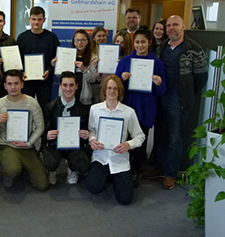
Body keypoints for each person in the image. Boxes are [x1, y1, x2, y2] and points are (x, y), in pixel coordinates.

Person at [150, 15, 208, 190]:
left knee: (175, 139)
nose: (171, 28)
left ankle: (170, 174)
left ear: (183, 27)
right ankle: (159, 168)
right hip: (160, 98)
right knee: (160, 136)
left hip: (179, 101)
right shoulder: (161, 48)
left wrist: (187, 92)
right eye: (168, 26)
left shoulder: (194, 50)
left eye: (175, 25)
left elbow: (201, 76)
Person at [115, 28, 166, 188]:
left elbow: (162, 90)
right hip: (127, 106)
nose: (140, 45)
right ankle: (122, 170)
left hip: (146, 108)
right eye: (137, 42)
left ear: (149, 42)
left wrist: (158, 83)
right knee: (124, 139)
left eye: (143, 42)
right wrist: (121, 80)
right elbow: (113, 87)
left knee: (140, 142)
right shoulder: (125, 61)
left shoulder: (157, 64)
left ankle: (136, 171)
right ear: (133, 43)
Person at [87, 75, 145, 205]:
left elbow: (140, 136)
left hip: (120, 159)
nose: (112, 91)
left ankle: (114, 177)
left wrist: (128, 144)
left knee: (125, 199)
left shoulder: (128, 112)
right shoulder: (95, 109)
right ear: (104, 90)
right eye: (109, 88)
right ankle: (108, 176)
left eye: (115, 88)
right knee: (93, 188)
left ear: (119, 91)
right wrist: (92, 140)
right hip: (100, 157)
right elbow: (92, 131)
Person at [0, 69, 49, 191]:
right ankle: (12, 173)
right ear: (5, 86)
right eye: (9, 84)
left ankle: (25, 166)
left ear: (22, 84)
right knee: (12, 170)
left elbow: (40, 126)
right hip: (6, 145)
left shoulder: (31, 103)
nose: (13, 87)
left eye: (16, 83)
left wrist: (29, 143)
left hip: (27, 146)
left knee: (42, 185)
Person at [43, 71, 90, 185]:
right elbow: (43, 131)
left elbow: (87, 131)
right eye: (65, 85)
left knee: (83, 165)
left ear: (76, 86)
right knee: (50, 162)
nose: (68, 89)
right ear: (60, 86)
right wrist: (47, 135)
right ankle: (52, 171)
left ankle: (72, 169)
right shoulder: (50, 107)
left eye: (71, 85)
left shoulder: (83, 109)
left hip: (74, 145)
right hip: (55, 143)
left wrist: (86, 135)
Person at [16, 6, 60, 109]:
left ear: (44, 20)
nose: (36, 22)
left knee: (45, 109)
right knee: (26, 108)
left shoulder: (52, 37)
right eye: (34, 19)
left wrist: (49, 70)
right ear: (29, 19)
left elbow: (57, 58)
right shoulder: (22, 38)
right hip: (26, 81)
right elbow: (17, 59)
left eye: (39, 19)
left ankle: (43, 126)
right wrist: (21, 72)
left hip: (45, 81)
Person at [51, 29, 99, 106]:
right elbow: (60, 75)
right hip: (66, 97)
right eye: (77, 40)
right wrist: (56, 66)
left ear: (87, 41)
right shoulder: (67, 55)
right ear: (73, 42)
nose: (80, 43)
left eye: (83, 40)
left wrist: (84, 69)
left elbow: (93, 79)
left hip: (84, 99)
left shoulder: (93, 58)